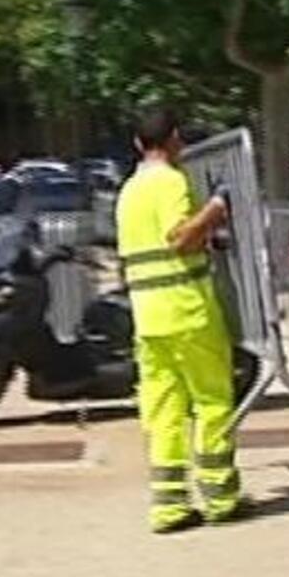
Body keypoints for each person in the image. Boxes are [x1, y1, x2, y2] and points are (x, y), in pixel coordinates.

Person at [115, 105, 242, 533]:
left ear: (137, 143)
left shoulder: (128, 190)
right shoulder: (171, 181)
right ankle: (220, 497)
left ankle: (169, 506)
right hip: (187, 310)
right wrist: (218, 206)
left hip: (148, 318)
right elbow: (181, 238)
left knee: (163, 409)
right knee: (212, 401)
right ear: (174, 140)